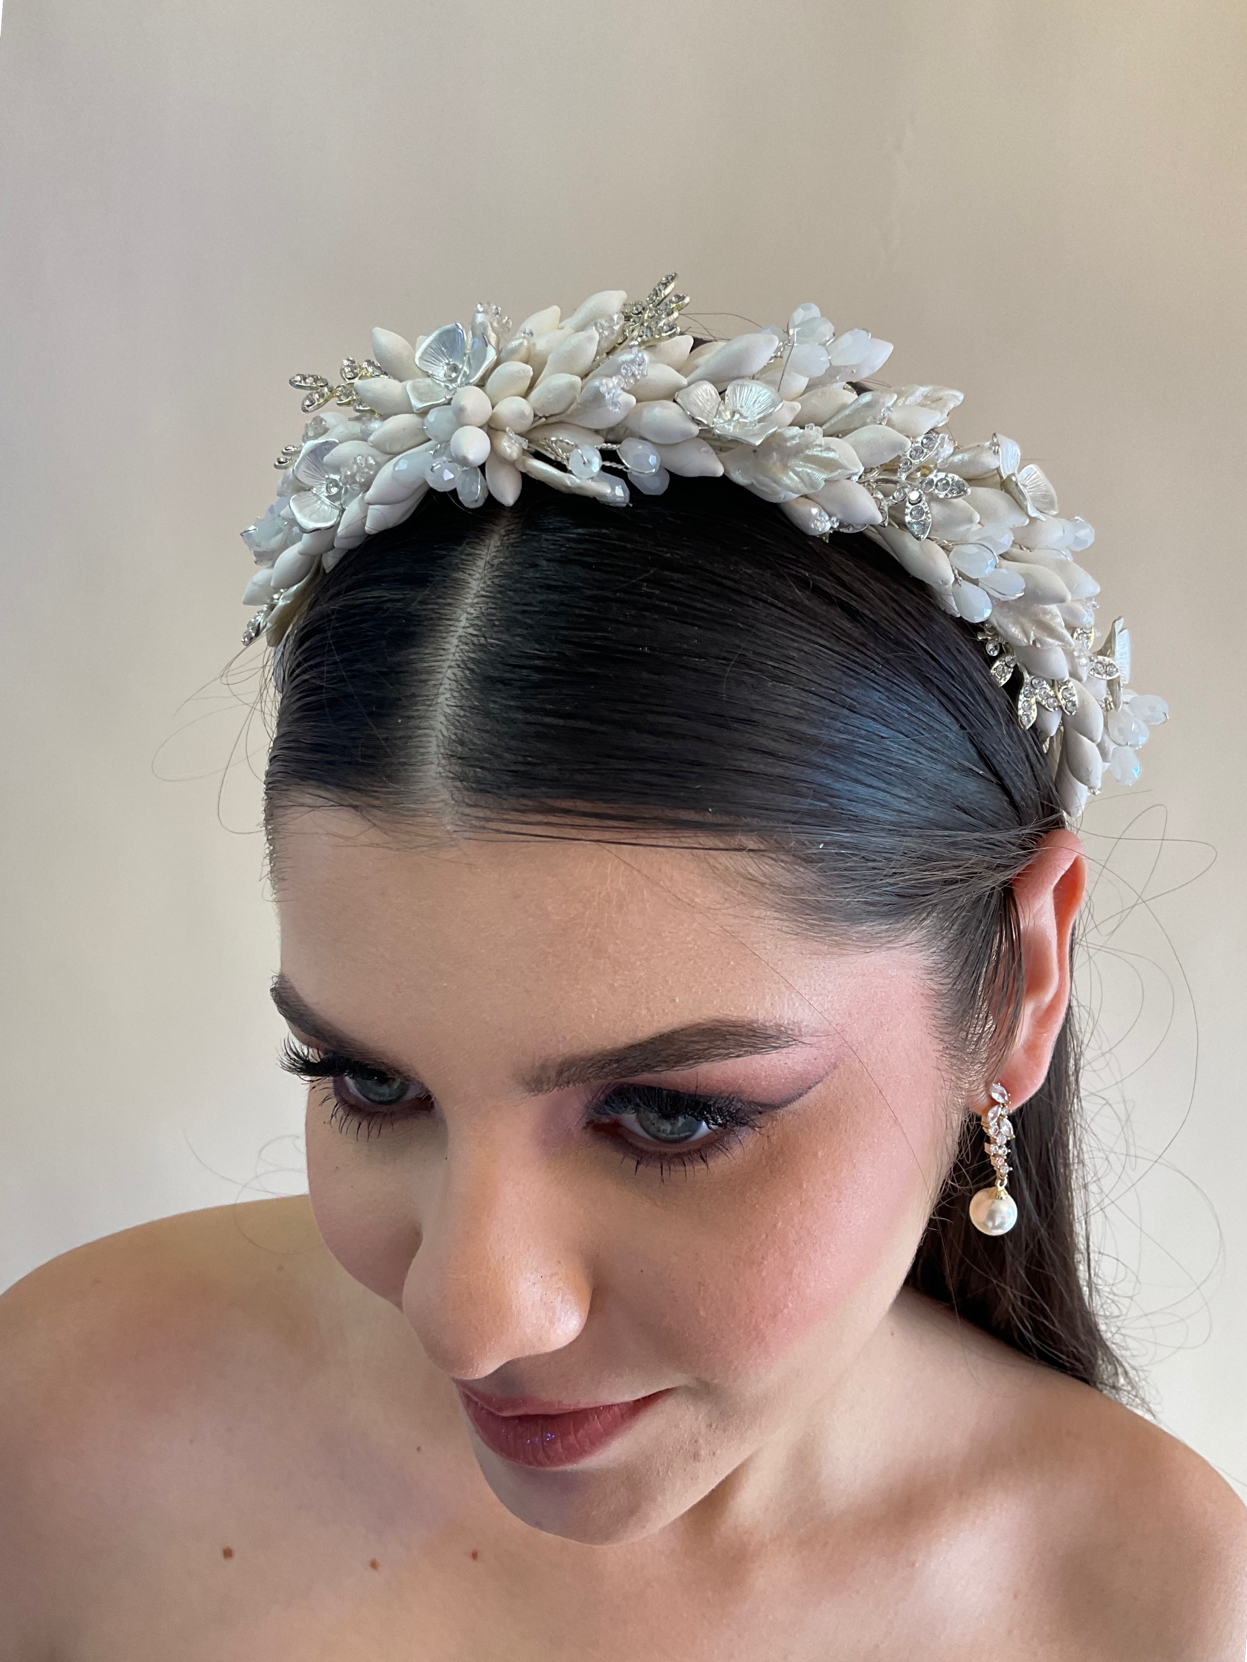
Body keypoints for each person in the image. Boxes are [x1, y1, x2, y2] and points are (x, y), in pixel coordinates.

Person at [2, 289, 1244, 1660]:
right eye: (369, 1081)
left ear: (1017, 984)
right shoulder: (64, 1416)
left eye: (667, 1113)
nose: (471, 1320)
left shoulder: (1159, 1606)